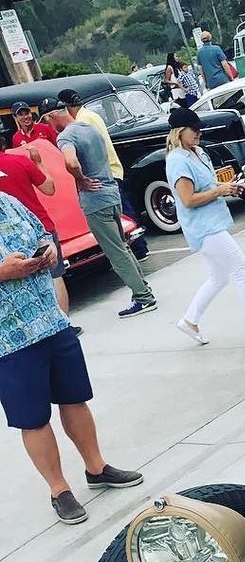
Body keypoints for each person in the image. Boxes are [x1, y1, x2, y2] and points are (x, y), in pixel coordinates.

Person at [0, 192, 142, 524]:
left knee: (75, 399)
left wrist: (47, 250)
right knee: (33, 419)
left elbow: (41, 233)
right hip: (10, 339)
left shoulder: (9, 201)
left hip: (52, 321)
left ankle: (96, 468)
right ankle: (59, 490)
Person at [164, 107, 245, 345]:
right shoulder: (177, 160)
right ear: (179, 131)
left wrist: (226, 188)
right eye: (194, 129)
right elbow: (187, 200)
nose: (199, 133)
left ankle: (189, 320)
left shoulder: (198, 152)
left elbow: (207, 186)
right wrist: (219, 190)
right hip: (203, 227)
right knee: (241, 269)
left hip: (212, 222)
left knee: (219, 277)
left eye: (200, 129)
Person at [41, 98, 157, 318]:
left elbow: (71, 162)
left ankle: (143, 297)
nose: (49, 126)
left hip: (95, 200)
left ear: (52, 116)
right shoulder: (89, 128)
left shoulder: (65, 136)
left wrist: (81, 179)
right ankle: (142, 288)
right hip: (111, 192)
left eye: (47, 121)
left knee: (115, 253)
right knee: (123, 246)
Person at [57, 88, 150, 262]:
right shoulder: (92, 115)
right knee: (123, 211)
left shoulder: (81, 123)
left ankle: (138, 248)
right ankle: (137, 248)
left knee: (122, 216)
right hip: (112, 168)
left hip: (102, 174)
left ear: (67, 108)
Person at [0, 131, 74, 326]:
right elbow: (49, 188)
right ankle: (64, 324)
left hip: (7, 240)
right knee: (54, 274)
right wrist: (39, 162)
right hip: (39, 228)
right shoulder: (20, 162)